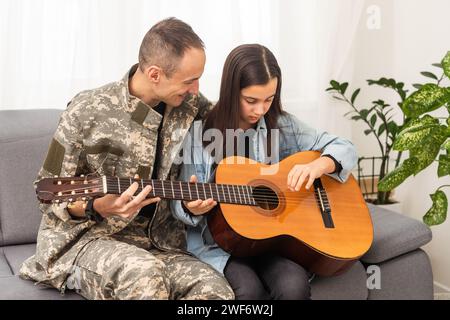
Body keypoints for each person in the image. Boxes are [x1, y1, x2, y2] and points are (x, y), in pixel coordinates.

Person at [19, 17, 234, 300]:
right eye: (189, 80)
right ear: (155, 74)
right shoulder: (87, 110)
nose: (195, 89)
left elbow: (240, 122)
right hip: (87, 240)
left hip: (159, 244)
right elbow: (46, 191)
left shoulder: (190, 106)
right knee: (143, 275)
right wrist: (96, 206)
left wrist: (312, 160)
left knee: (215, 290)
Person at [171, 44, 358, 300]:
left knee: (294, 286)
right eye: (251, 100)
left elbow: (344, 147)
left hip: (274, 241)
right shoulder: (200, 134)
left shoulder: (281, 125)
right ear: (230, 92)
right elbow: (181, 206)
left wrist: (318, 166)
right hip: (223, 244)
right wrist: (191, 208)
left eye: (269, 99)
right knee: (248, 291)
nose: (260, 110)